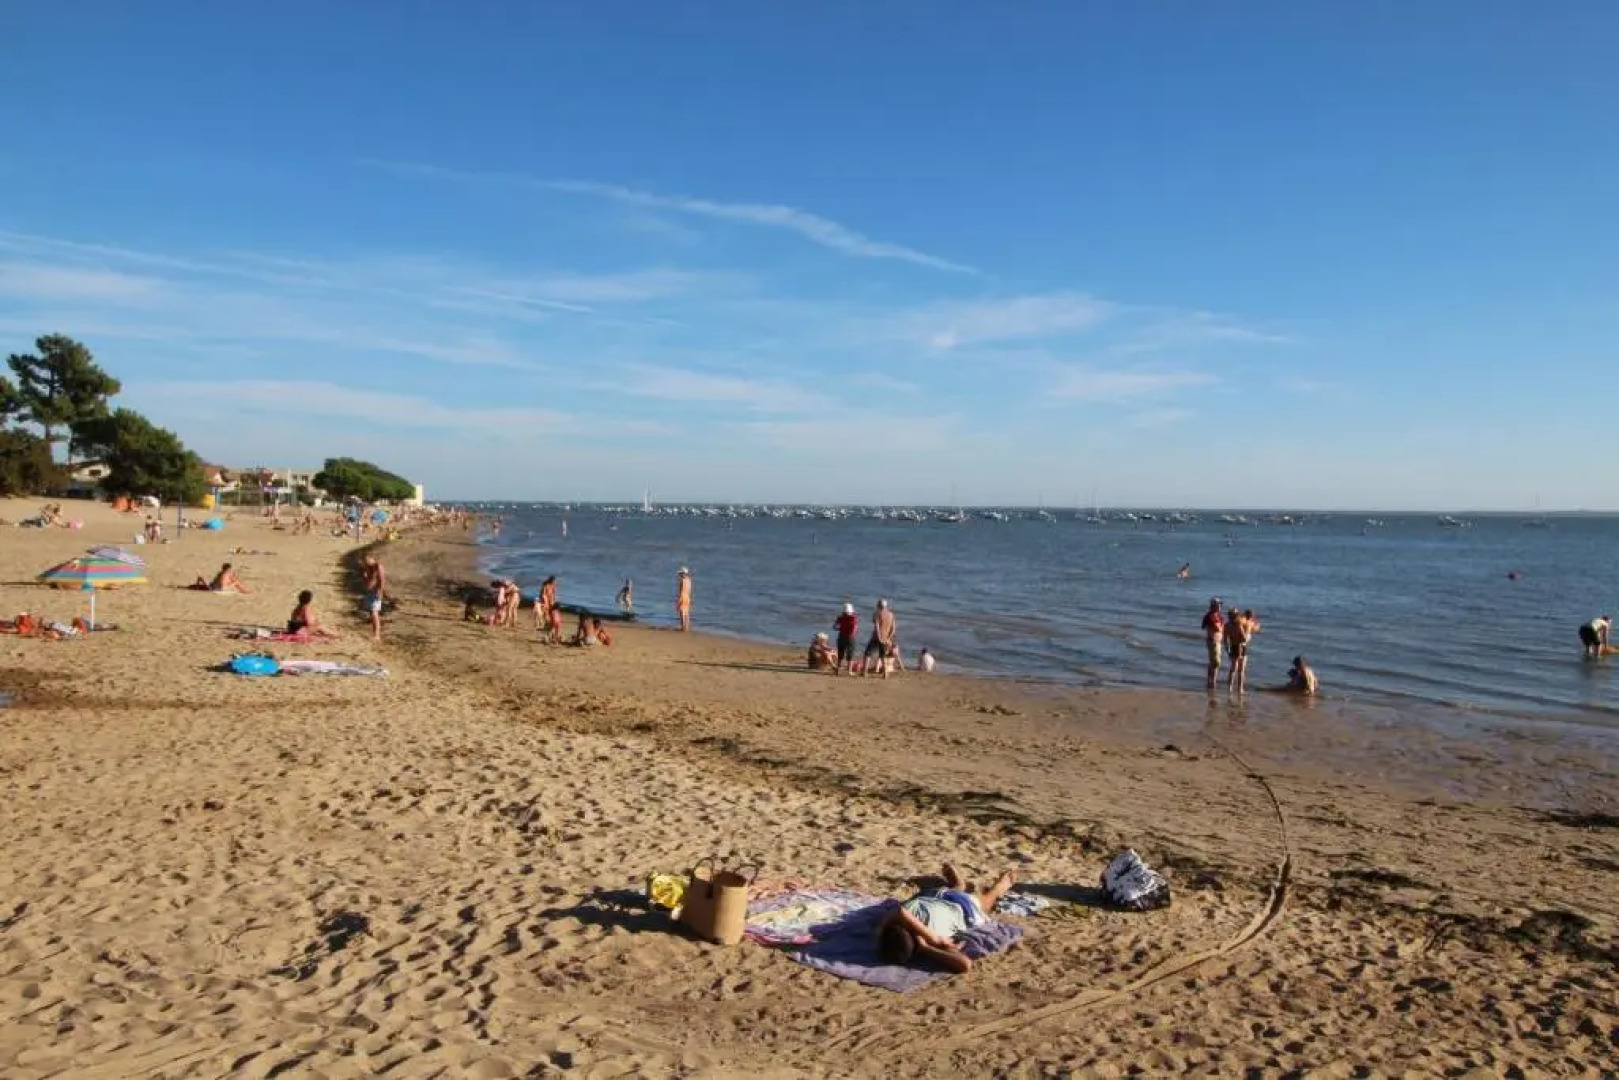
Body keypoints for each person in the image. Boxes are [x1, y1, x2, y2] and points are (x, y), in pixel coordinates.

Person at [875, 864, 1018, 974]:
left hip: (944, 901)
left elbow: (901, 912)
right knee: (976, 897)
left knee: (975, 897)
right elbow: (964, 964)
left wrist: (930, 942)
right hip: (950, 903)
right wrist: (926, 948)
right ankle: (971, 885)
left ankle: (972, 886)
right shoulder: (911, 927)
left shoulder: (933, 939)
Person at [1226, 608, 1259, 693]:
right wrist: (1248, 636)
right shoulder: (1240, 625)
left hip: (1233, 646)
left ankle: (1229, 688)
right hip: (1242, 646)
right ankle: (1240, 689)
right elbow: (1243, 638)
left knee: (1233, 669)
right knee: (1241, 670)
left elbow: (1225, 640)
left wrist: (1227, 649)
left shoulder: (1227, 625)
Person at [863, 599, 898, 679]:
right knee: (882, 656)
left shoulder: (877, 614)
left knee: (867, 654)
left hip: (876, 637)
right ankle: (885, 674)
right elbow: (893, 629)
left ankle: (864, 672)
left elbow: (877, 627)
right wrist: (888, 638)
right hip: (886, 638)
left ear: (878, 605)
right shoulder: (891, 614)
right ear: (886, 606)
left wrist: (879, 638)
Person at [361, 555, 386, 641]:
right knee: (372, 613)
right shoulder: (368, 567)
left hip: (375, 592)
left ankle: (377, 635)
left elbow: (382, 580)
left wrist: (380, 592)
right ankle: (375, 633)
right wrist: (365, 576)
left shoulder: (378, 567)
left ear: (373, 559)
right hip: (369, 592)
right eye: (365, 560)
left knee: (374, 613)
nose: (366, 561)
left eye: (368, 559)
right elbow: (367, 581)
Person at [1201, 599, 1224, 691]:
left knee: (1213, 662)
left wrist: (1220, 627)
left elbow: (1222, 627)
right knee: (1216, 662)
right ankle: (1212, 681)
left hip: (1217, 641)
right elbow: (1218, 628)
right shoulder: (1210, 616)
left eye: (1220, 605)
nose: (1220, 607)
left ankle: (1211, 681)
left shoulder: (1218, 616)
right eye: (1218, 605)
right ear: (1213, 605)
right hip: (1212, 641)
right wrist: (1220, 627)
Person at [834, 602, 859, 675]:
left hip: (841, 636)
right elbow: (854, 629)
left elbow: (834, 627)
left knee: (840, 653)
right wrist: (852, 634)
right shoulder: (853, 618)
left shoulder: (841, 617)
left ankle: (838, 669)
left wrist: (841, 629)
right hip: (850, 638)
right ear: (851, 611)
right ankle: (849, 671)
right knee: (850, 654)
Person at [676, 567, 692, 631]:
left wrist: (679, 599)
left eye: (680, 574)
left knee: (682, 612)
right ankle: (687, 626)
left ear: (683, 574)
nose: (679, 575)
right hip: (688, 597)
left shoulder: (682, 581)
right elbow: (689, 590)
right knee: (687, 612)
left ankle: (683, 627)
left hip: (683, 596)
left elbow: (681, 590)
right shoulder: (689, 580)